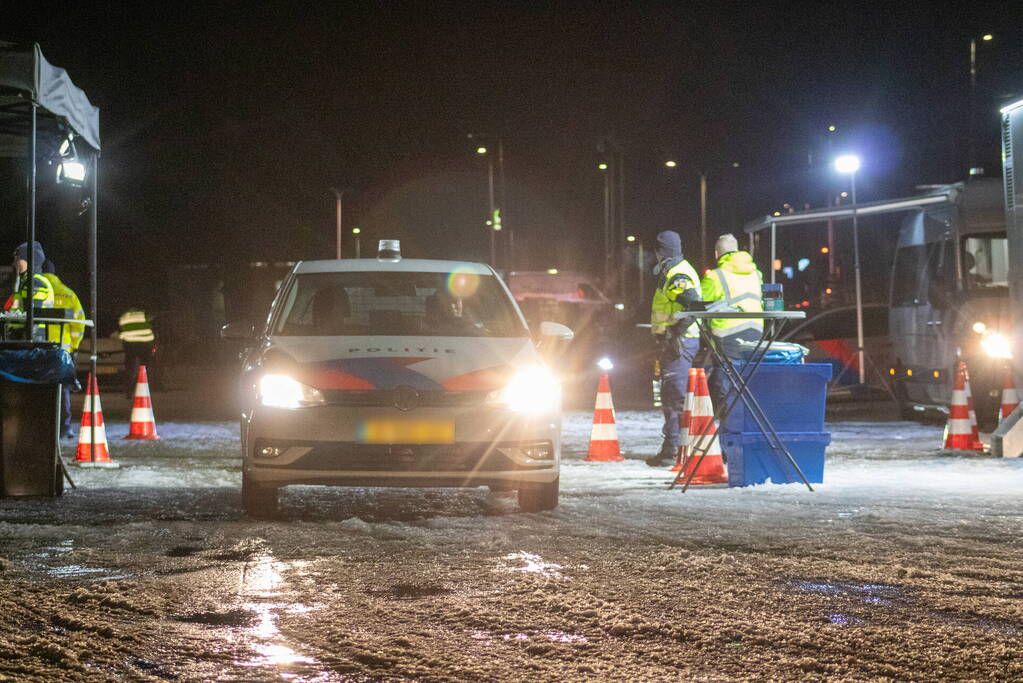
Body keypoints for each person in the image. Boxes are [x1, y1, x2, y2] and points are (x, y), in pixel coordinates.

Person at [646, 230, 703, 467]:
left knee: (674, 397)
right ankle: (674, 447)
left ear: (661, 253)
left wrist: (674, 332)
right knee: (670, 395)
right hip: (675, 342)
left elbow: (693, 305)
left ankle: (674, 450)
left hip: (679, 343)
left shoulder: (677, 274)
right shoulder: (675, 271)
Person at [700, 233, 764, 404]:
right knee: (748, 379)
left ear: (716, 254)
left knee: (726, 382)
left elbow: (700, 305)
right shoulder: (756, 273)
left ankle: (730, 424)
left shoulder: (715, 276)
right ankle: (747, 422)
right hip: (756, 332)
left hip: (727, 335)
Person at [41, 262, 87, 439]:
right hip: (63, 348)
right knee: (63, 389)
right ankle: (65, 427)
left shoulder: (34, 290)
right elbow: (78, 324)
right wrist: (74, 346)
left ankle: (44, 426)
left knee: (40, 387)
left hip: (39, 346)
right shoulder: (68, 294)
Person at [118, 306, 156, 395]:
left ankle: (128, 387)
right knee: (144, 366)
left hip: (129, 344)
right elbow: (152, 325)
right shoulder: (144, 314)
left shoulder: (124, 316)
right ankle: (141, 384)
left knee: (129, 366)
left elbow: (120, 328)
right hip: (144, 343)